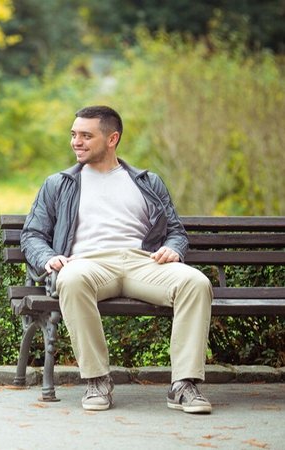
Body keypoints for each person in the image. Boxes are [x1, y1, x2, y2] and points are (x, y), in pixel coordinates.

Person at [20, 105, 213, 414]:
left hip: (143, 262)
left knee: (195, 282)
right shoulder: (59, 184)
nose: (76, 142)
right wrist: (49, 257)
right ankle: (97, 380)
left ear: (112, 139)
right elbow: (32, 235)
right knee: (70, 279)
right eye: (73, 135)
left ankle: (184, 385)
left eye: (86, 136)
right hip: (89, 263)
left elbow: (176, 231)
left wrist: (174, 249)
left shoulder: (147, 181)